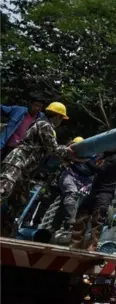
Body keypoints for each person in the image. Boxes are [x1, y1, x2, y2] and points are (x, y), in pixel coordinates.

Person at [0, 101, 74, 237]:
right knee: (3, 190)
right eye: (61, 118)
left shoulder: (46, 126)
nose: (61, 122)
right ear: (57, 116)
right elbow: (54, 149)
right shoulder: (44, 125)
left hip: (26, 169)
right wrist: (69, 150)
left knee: (19, 200)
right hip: (18, 161)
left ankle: (5, 229)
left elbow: (50, 152)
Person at [69, 146, 116, 251]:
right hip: (94, 192)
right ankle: (75, 245)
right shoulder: (103, 158)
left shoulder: (115, 158)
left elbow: (100, 170)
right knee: (81, 215)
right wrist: (72, 164)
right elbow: (88, 172)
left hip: (104, 193)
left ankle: (92, 246)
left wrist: (85, 159)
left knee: (97, 219)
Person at [52, 136, 98, 235]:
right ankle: (70, 223)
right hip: (69, 178)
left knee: (68, 204)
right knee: (71, 196)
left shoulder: (89, 156)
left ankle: (60, 226)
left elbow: (89, 171)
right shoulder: (67, 153)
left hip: (84, 182)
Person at [0, 95, 46, 160]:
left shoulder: (41, 118)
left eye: (40, 107)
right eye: (36, 105)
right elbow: (2, 109)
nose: (37, 108)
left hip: (21, 151)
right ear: (30, 104)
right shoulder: (18, 110)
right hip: (6, 146)